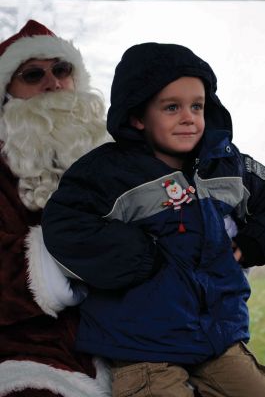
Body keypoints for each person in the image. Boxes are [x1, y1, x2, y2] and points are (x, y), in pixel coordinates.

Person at [42, 42, 265, 397]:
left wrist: (250, 245)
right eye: (172, 107)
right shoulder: (108, 172)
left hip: (218, 338)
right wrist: (138, 256)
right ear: (138, 116)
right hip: (143, 347)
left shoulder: (226, 165)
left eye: (197, 106)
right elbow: (65, 223)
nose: (189, 117)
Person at [0, 19, 111, 396]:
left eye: (61, 69)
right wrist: (59, 258)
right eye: (33, 75)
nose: (53, 82)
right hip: (27, 353)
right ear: (7, 95)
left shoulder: (118, 154)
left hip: (133, 341)